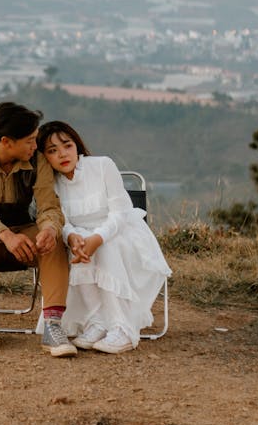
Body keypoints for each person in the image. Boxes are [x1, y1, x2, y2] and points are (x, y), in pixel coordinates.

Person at [0, 102, 76, 357]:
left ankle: (53, 326)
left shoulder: (37, 161)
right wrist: (6, 236)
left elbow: (48, 206)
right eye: (30, 141)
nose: (35, 145)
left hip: (23, 233)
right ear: (6, 141)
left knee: (53, 240)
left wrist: (49, 229)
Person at [36, 120, 172, 354]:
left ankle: (122, 328)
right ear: (44, 157)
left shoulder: (102, 166)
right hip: (80, 237)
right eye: (52, 151)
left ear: (76, 145)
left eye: (67, 146)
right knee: (75, 252)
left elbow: (119, 213)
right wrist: (72, 238)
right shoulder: (53, 184)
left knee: (104, 248)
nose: (62, 154)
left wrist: (97, 239)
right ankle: (97, 322)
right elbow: (62, 221)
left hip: (122, 233)